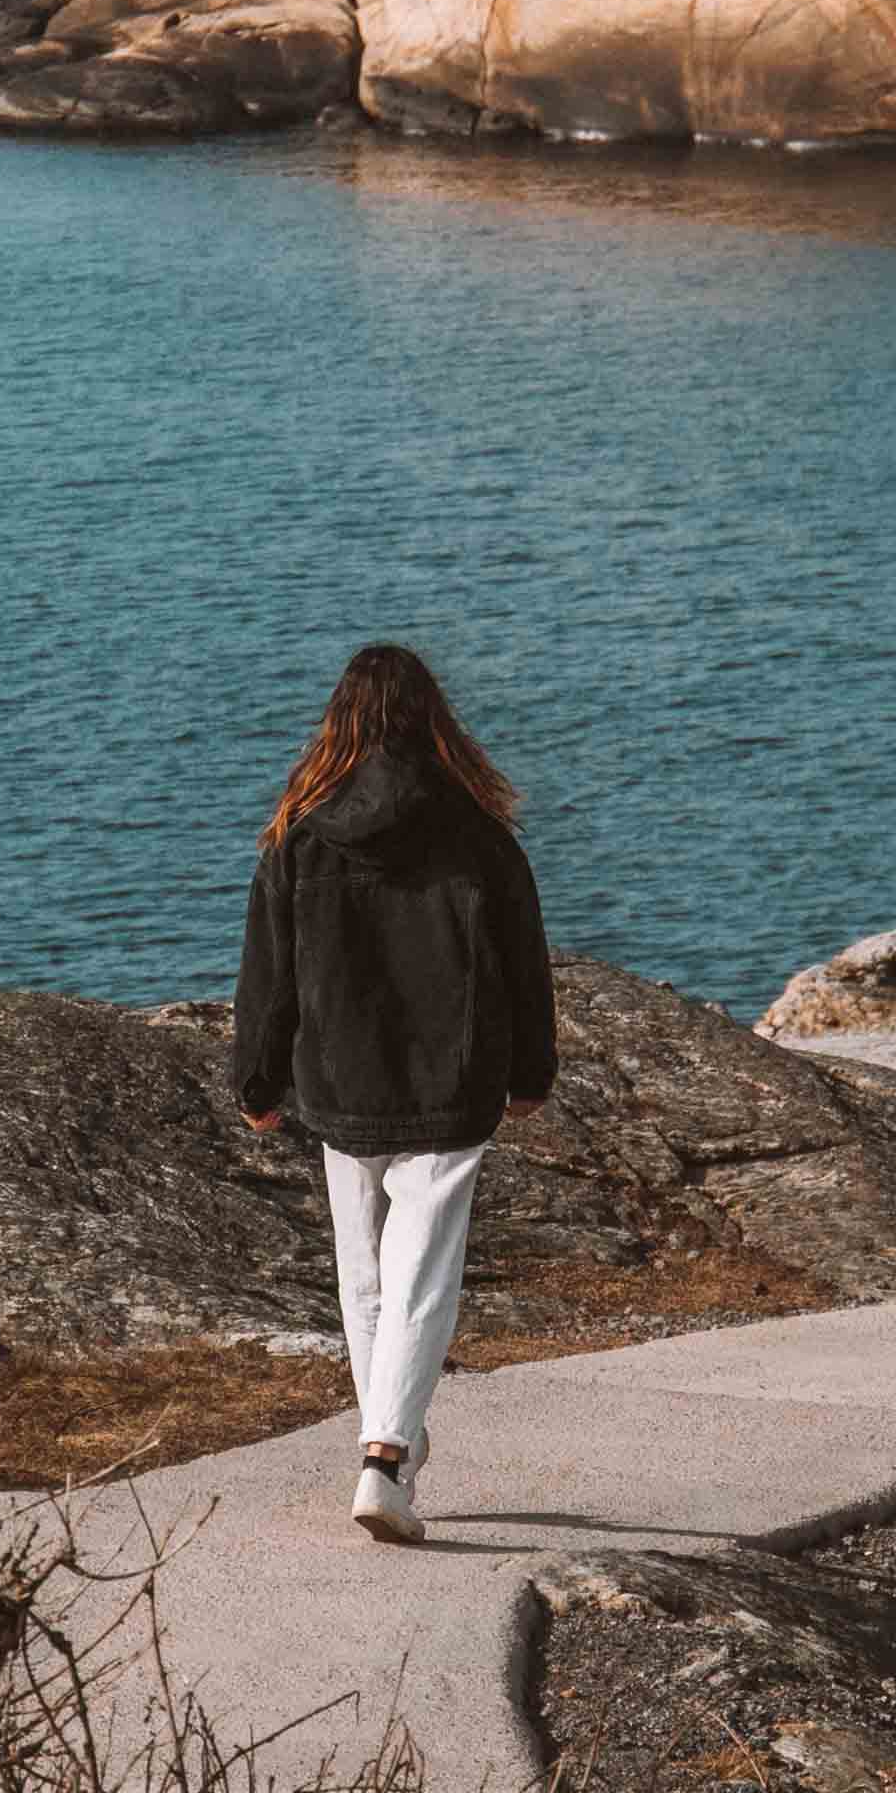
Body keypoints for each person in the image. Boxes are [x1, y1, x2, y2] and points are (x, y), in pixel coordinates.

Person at [233, 640, 557, 1545]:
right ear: (432, 720)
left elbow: (268, 973)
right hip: (451, 1084)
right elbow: (523, 967)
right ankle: (384, 1455)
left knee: (366, 1273)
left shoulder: (300, 835)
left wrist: (256, 1079)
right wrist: (530, 1071)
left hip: (339, 1081)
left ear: (338, 724)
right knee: (423, 1272)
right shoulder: (478, 835)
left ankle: (391, 1447)